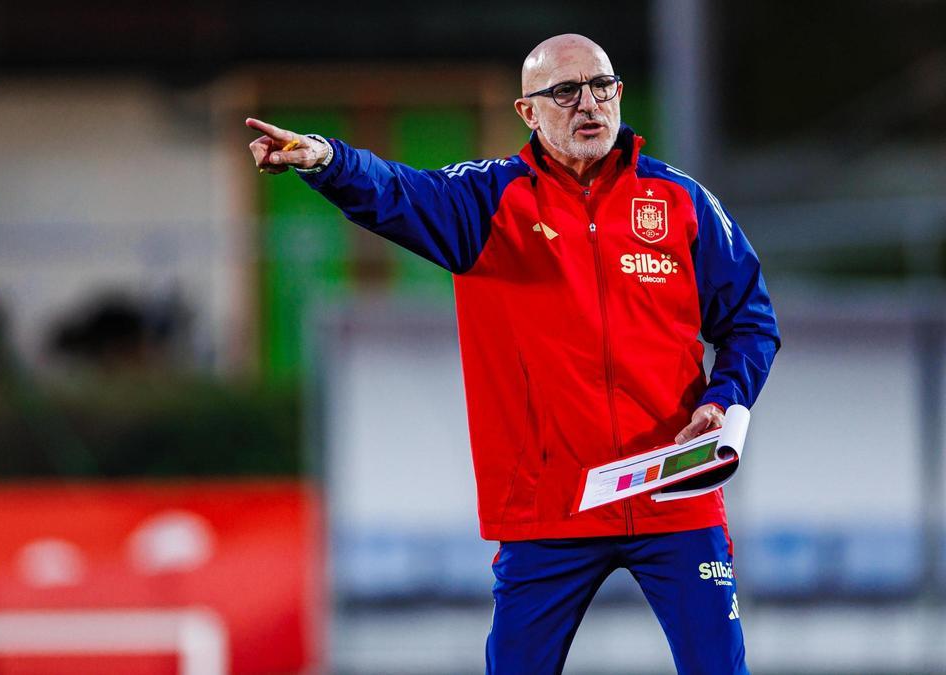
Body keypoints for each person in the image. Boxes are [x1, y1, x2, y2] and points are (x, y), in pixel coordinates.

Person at [247, 33, 778, 675]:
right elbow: (394, 192)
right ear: (528, 112)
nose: (590, 104)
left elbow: (750, 320)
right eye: (565, 91)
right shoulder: (484, 201)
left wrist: (724, 402)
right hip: (549, 508)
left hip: (673, 491)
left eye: (602, 86)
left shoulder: (682, 201)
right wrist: (324, 159)